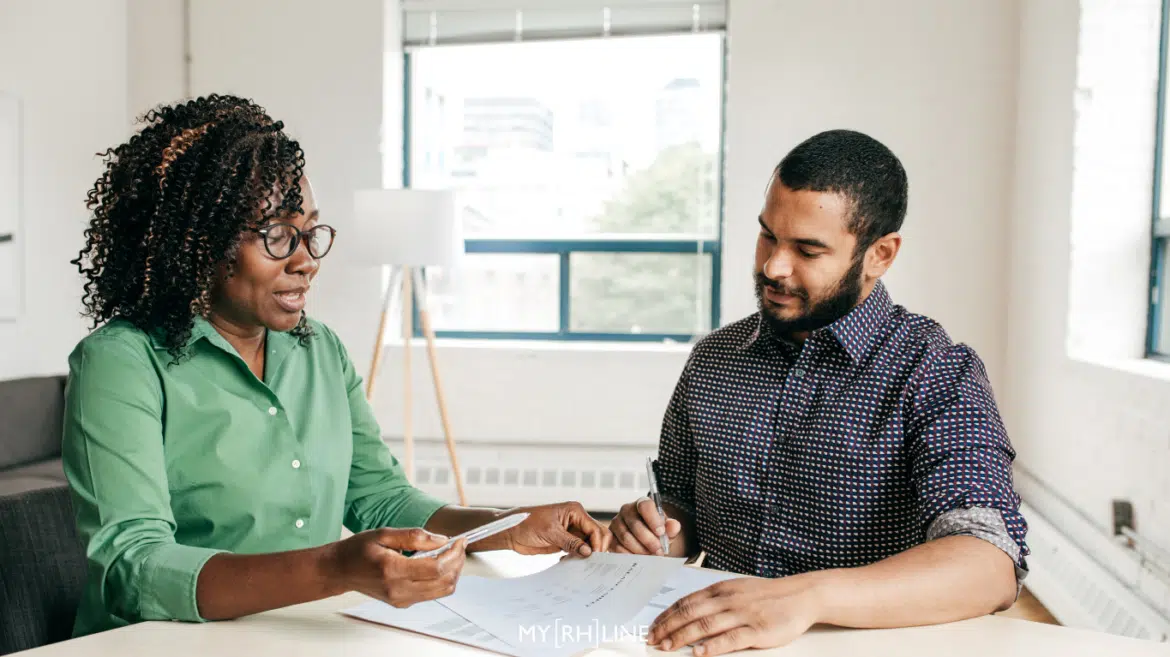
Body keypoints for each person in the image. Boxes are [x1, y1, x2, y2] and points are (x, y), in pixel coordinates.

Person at [64, 94, 610, 638]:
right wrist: (335, 568)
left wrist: (504, 528)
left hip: (302, 634)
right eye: (276, 235)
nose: (305, 261)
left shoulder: (317, 348)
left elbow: (380, 498)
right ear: (200, 242)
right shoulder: (122, 362)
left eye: (309, 233)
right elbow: (132, 567)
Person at [609, 129, 1027, 655]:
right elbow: (680, 508)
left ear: (880, 254)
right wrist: (656, 532)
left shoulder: (936, 371)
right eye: (767, 237)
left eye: (808, 250)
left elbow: (988, 564)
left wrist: (806, 597)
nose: (773, 267)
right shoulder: (714, 360)